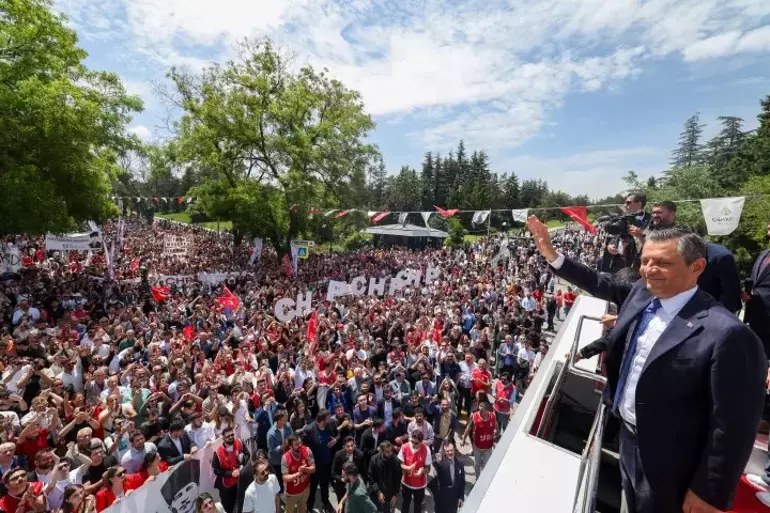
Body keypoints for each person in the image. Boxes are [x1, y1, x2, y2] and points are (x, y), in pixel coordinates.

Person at [527, 215, 767, 513]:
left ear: (697, 267)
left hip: (674, 464)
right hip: (627, 440)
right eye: (645, 261)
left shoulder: (728, 334)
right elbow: (600, 283)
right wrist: (551, 254)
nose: (650, 270)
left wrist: (709, 491)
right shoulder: (642, 292)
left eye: (662, 263)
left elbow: (733, 425)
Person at [646, 200, 741, 313]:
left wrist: (721, 319)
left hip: (712, 310)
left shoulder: (721, 257)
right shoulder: (677, 252)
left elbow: (730, 295)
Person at [744, 221, 770, 359]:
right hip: (756, 316)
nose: (768, 233)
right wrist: (746, 293)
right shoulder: (763, 254)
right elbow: (755, 280)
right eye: (768, 229)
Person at [211, 427, 250, 513]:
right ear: (223, 438)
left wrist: (243, 463)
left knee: (244, 502)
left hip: (241, 481)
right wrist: (231, 473)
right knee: (229, 507)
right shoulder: (218, 453)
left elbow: (247, 454)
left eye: (232, 435)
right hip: (227, 486)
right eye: (228, 436)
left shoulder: (239, 443)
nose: (231, 437)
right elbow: (216, 470)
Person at [460, 400, 496, 479]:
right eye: (478, 410)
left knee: (486, 464)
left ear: (487, 410)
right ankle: (477, 478)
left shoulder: (493, 416)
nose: (479, 412)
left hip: (488, 447)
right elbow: (468, 428)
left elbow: (496, 426)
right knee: (477, 463)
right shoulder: (475, 416)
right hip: (477, 446)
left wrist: (495, 432)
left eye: (481, 411)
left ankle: (484, 478)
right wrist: (463, 440)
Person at [397, 431, 430, 513]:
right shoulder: (404, 447)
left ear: (421, 442)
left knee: (418, 505)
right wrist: (407, 468)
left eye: (416, 443)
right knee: (405, 504)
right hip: (406, 483)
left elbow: (428, 468)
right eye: (412, 441)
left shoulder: (426, 449)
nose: (413, 445)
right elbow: (400, 464)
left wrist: (422, 471)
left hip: (420, 485)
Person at [281, 434, 315, 513]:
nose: (300, 445)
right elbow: (285, 477)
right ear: (290, 447)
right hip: (291, 494)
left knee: (303, 510)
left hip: (305, 489)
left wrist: (305, 469)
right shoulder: (285, 458)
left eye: (300, 442)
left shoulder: (307, 450)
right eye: (296, 444)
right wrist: (299, 474)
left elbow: (313, 469)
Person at [367, 441, 401, 513]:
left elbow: (398, 479)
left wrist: (395, 495)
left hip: (389, 494)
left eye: (391, 451)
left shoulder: (395, 461)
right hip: (375, 492)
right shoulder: (374, 459)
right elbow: (370, 477)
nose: (390, 453)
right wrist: (378, 492)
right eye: (387, 451)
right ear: (381, 451)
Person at [431, 442, 465, 513]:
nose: (450, 452)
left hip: (454, 498)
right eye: (447, 451)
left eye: (451, 450)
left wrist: (461, 497)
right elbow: (434, 464)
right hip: (441, 499)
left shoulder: (460, 462)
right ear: (444, 452)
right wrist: (436, 461)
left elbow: (462, 481)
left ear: (454, 450)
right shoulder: (440, 462)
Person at [332, 437, 366, 503]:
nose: (350, 448)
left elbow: (364, 472)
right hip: (341, 486)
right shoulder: (338, 455)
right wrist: (342, 479)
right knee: (341, 505)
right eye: (348, 446)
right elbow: (333, 473)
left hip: (356, 486)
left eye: (352, 445)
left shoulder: (360, 455)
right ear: (343, 447)